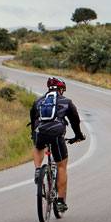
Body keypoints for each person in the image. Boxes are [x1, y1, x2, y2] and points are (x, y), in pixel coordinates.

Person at [30, 76, 84, 213]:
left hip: (40, 132)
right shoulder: (66, 102)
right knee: (61, 165)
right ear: (62, 90)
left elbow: (33, 119)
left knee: (37, 146)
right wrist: (78, 135)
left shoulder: (38, 101)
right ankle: (60, 201)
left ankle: (38, 170)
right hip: (56, 134)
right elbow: (75, 121)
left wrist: (34, 135)